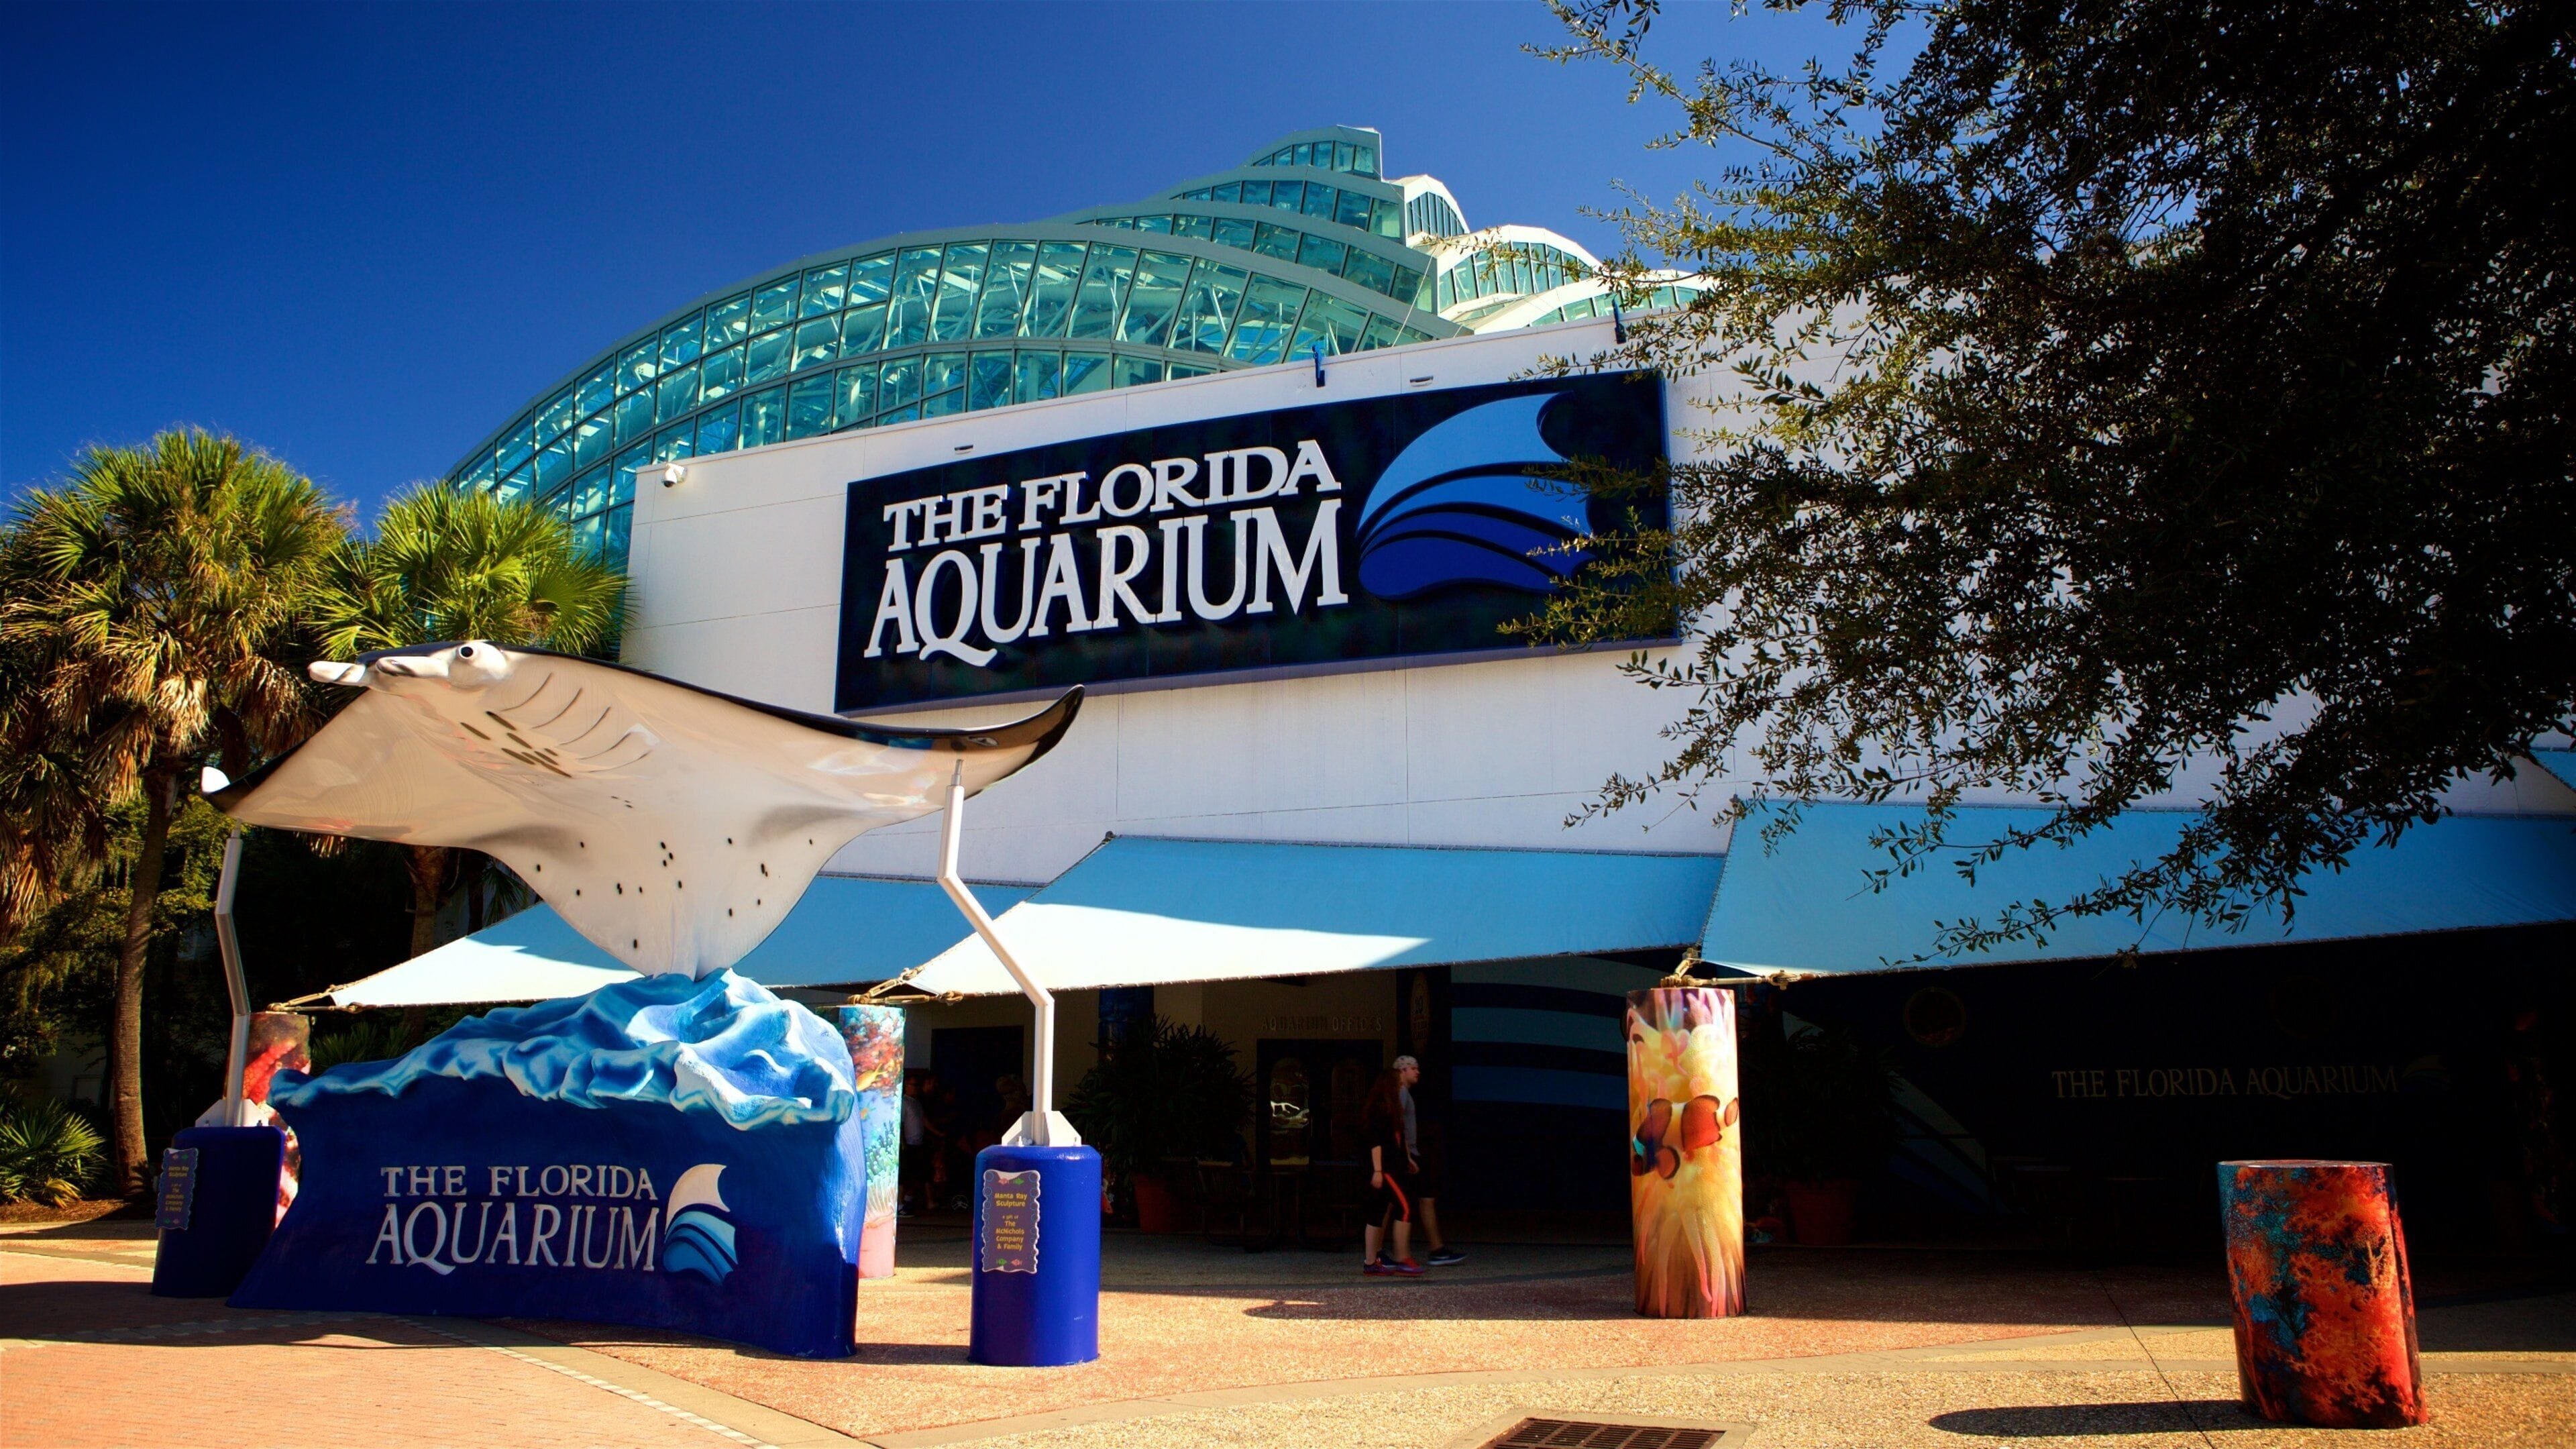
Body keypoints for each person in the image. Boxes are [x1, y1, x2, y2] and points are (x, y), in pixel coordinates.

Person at [1391, 1055, 1465, 1266]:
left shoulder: (1403, 1094)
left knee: (1421, 1199)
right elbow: (1398, 1127)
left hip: (1410, 1154)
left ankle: (1433, 1249)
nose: (1417, 1072)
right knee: (1403, 1205)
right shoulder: (1402, 1093)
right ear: (1402, 1071)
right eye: (1413, 1068)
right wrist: (1406, 1155)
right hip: (1409, 1155)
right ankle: (1403, 1255)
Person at [1359, 1067, 1423, 1276]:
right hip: (1387, 1169)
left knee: (1377, 1213)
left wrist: (1407, 1159)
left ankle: (1371, 1261)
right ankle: (1402, 1257)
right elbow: (1376, 1142)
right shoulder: (1380, 1109)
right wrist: (1378, 1170)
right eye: (1397, 1083)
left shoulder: (1392, 1109)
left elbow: (1399, 1137)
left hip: (1393, 1165)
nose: (1400, 1086)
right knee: (1405, 1207)